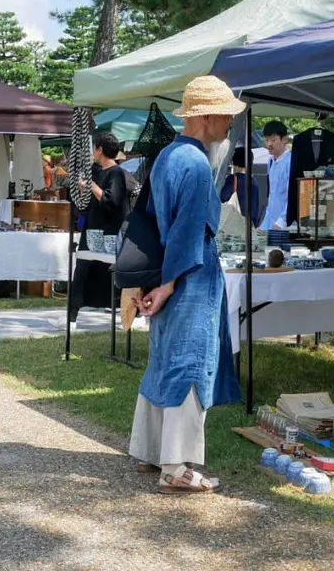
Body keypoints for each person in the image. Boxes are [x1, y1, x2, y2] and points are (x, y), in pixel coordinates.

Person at [129, 75, 243, 494]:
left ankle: (147, 449)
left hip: (169, 269)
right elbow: (187, 232)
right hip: (190, 274)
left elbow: (158, 222)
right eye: (227, 115)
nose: (231, 123)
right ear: (208, 116)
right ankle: (174, 465)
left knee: (163, 357)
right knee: (191, 362)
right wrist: (171, 284)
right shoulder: (195, 164)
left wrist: (159, 281)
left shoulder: (167, 156)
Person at [59, 133, 130, 331]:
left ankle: (133, 312)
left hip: (109, 231)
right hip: (92, 228)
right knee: (81, 270)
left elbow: (111, 202)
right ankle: (71, 318)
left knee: (116, 273)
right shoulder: (95, 170)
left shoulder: (116, 173)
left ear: (99, 150)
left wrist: (91, 186)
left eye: (94, 149)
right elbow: (87, 201)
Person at [260, 120, 290, 230]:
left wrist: (281, 222)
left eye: (273, 140)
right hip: (270, 222)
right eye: (267, 140)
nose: (269, 144)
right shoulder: (271, 161)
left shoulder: (290, 162)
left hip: (284, 226)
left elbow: (294, 196)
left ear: (284, 139)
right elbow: (271, 196)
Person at [220, 146, 261, 225]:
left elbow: (222, 197)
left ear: (235, 163)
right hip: (250, 226)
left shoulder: (233, 179)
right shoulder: (254, 181)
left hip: (235, 224)